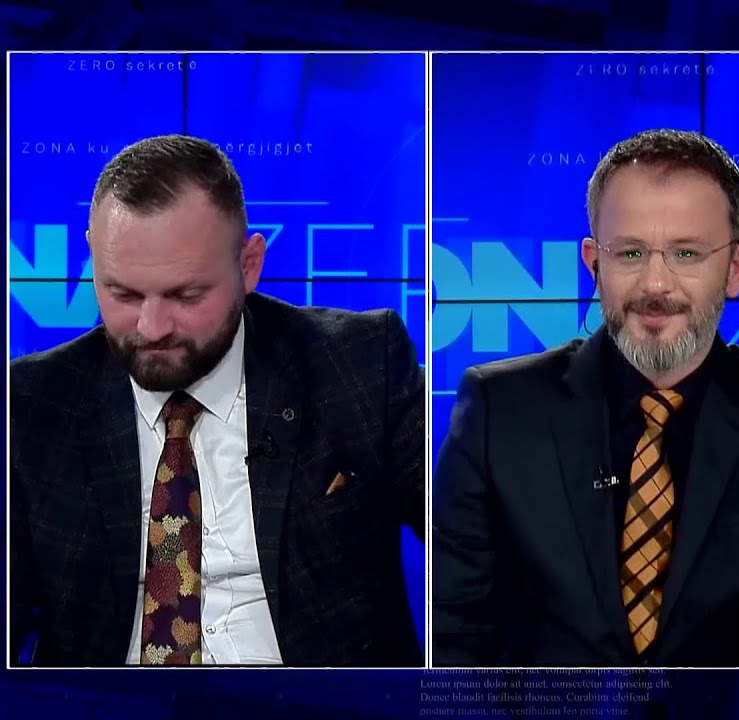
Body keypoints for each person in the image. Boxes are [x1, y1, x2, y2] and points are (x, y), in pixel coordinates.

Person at [432, 128, 739, 668]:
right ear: (593, 263)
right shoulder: (499, 410)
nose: (655, 284)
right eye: (630, 252)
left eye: (686, 253)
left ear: (736, 268)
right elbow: (455, 645)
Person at [9, 135, 426, 667]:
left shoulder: (359, 364)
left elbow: (467, 550)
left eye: (186, 295)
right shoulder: (31, 405)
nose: (152, 328)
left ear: (249, 266)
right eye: (123, 294)